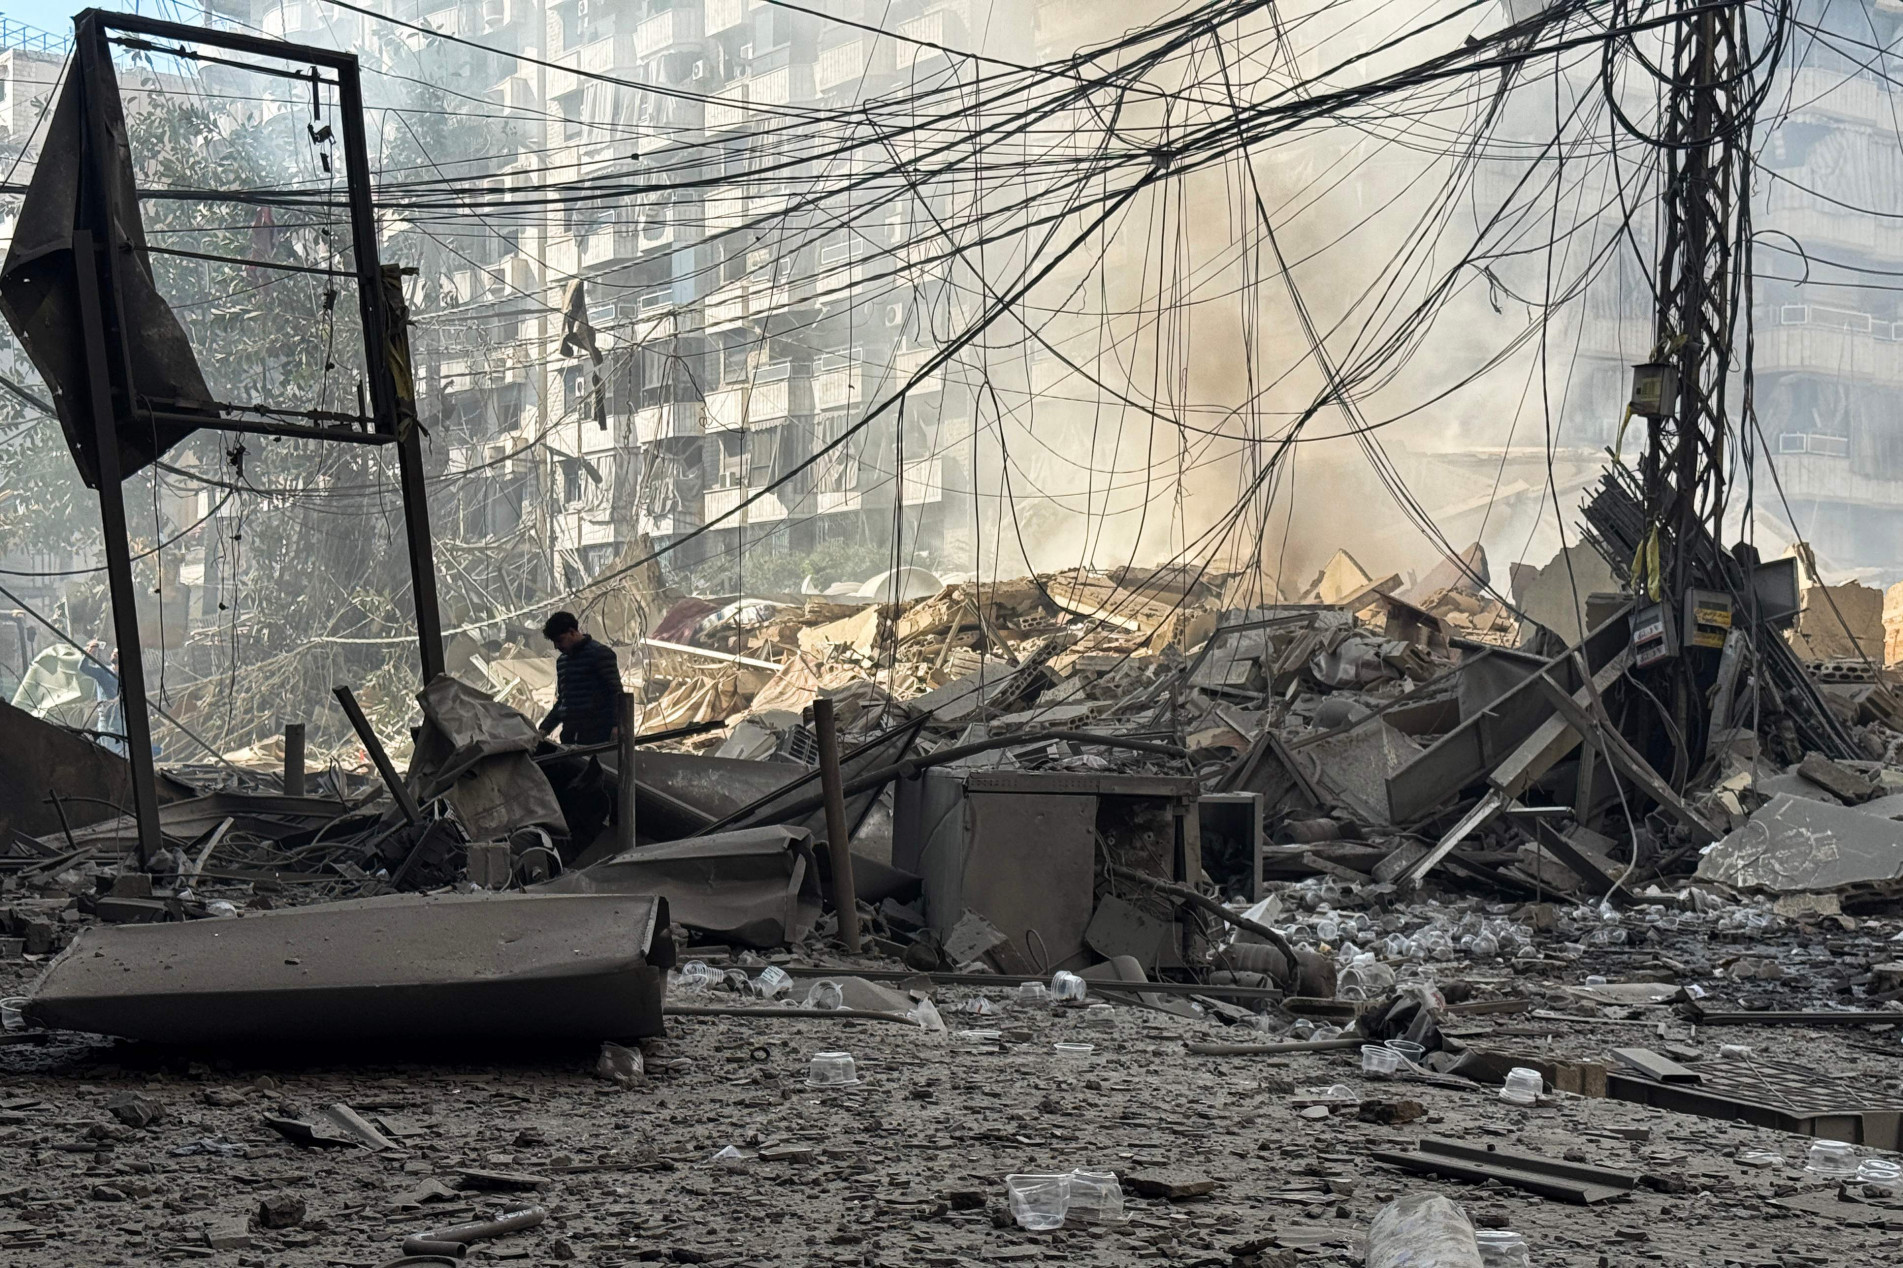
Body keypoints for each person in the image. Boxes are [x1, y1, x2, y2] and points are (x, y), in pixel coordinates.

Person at [537, 611, 621, 745]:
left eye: (559, 640)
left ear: (572, 632)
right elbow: (563, 701)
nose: (557, 646)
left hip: (599, 733)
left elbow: (616, 693)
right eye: (554, 642)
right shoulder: (562, 662)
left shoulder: (600, 654)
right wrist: (545, 728)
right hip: (570, 735)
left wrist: (617, 726)